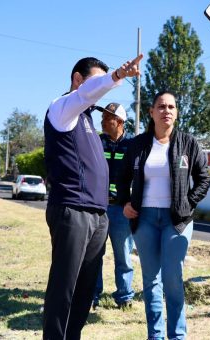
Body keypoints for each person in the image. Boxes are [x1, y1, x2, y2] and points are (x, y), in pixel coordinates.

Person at [43, 54, 142, 340]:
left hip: (97, 215)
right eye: (95, 80)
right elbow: (88, 92)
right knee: (65, 285)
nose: (99, 89)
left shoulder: (86, 119)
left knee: (86, 288)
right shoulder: (62, 109)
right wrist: (115, 77)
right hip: (72, 209)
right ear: (77, 80)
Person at [117, 91, 210, 340]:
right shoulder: (138, 144)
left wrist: (187, 203)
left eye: (171, 107)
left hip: (176, 221)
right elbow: (122, 177)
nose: (166, 111)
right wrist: (124, 202)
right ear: (151, 112)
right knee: (151, 280)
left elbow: (204, 178)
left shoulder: (188, 143)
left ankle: (177, 335)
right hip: (144, 218)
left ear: (176, 113)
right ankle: (155, 335)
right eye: (161, 106)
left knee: (172, 278)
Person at [92, 102, 135, 310]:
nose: (102, 122)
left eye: (106, 118)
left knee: (124, 256)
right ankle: (92, 296)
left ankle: (124, 297)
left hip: (121, 210)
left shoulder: (133, 146)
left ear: (119, 121)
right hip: (98, 209)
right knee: (93, 255)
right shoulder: (96, 142)